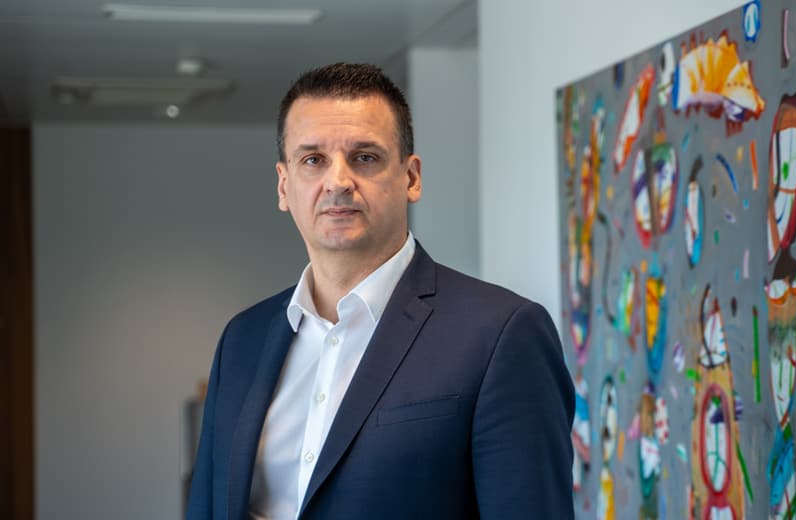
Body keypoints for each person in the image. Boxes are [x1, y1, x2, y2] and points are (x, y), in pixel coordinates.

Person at [187, 62, 575, 520]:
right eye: (313, 160)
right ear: (284, 185)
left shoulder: (501, 334)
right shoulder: (242, 339)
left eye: (365, 157)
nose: (338, 181)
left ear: (411, 177)